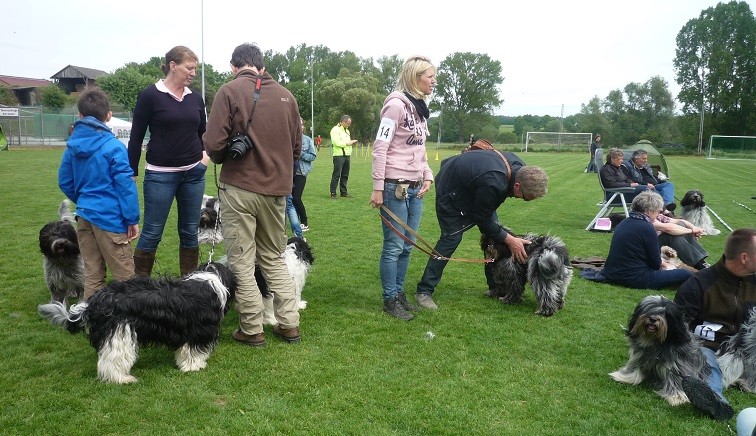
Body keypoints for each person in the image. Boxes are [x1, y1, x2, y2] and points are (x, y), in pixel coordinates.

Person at [203, 42, 302, 346]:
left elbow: (214, 144)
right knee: (273, 257)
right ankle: (289, 324)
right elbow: (297, 148)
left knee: (242, 261)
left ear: (234, 66)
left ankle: (251, 328)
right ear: (261, 65)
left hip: (240, 188)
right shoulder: (288, 96)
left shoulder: (229, 91)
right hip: (277, 191)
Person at [414, 143, 549, 309]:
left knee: (494, 237)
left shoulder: (518, 169)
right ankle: (424, 291)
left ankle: (496, 288)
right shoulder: (494, 182)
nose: (522, 200)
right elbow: (482, 218)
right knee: (451, 239)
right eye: (526, 197)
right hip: (451, 188)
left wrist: (501, 236)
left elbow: (487, 218)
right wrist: (510, 240)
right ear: (517, 186)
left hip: (475, 184)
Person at [128, 45, 207, 276]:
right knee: (152, 232)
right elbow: (136, 138)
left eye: (195, 69)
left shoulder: (196, 99)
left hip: (193, 174)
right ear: (173, 66)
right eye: (189, 68)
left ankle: (189, 286)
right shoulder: (149, 96)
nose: (193, 73)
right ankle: (138, 289)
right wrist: (131, 172)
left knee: (190, 232)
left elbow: (203, 133)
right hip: (159, 176)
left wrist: (204, 158)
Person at [369, 55, 436, 320]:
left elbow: (420, 149)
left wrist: (427, 174)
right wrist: (377, 187)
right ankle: (389, 299)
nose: (434, 81)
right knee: (394, 246)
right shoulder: (396, 106)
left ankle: (399, 294)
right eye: (430, 76)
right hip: (394, 187)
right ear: (415, 77)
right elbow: (380, 147)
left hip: (415, 187)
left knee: (407, 246)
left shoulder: (420, 109)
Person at [58, 89, 140, 299]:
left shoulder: (72, 148)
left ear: (80, 116)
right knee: (125, 278)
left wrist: (84, 200)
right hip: (110, 219)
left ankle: (91, 324)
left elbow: (65, 181)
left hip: (85, 216)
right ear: (108, 115)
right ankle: (127, 324)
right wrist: (132, 219)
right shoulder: (114, 146)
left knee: (92, 274)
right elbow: (125, 185)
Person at [674, 228, 756, 419]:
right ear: (744, 258)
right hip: (711, 346)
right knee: (707, 364)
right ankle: (715, 401)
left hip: (747, 346)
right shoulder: (698, 284)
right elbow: (678, 327)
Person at [602, 191, 693, 289]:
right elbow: (654, 263)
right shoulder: (647, 228)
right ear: (649, 211)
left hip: (612, 272)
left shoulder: (624, 222)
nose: (658, 215)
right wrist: (665, 265)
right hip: (635, 277)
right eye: (658, 211)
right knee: (685, 274)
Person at [623, 149, 677, 213]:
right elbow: (631, 180)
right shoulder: (628, 167)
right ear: (636, 158)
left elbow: (652, 177)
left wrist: (661, 181)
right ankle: (665, 209)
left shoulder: (645, 166)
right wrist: (646, 184)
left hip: (654, 185)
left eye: (646, 158)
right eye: (643, 158)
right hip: (642, 188)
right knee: (657, 193)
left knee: (669, 184)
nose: (646, 160)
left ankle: (667, 204)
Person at [293, 117, 317, 232]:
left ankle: (304, 222)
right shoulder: (289, 138)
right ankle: (292, 221)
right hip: (288, 173)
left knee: (296, 198)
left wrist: (300, 153)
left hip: (301, 172)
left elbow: (313, 156)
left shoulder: (307, 140)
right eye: (298, 124)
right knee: (288, 199)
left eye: (301, 124)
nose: (300, 126)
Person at [329, 115, 357, 198]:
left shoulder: (347, 131)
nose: (349, 125)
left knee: (345, 174)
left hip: (347, 155)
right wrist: (347, 143)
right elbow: (336, 142)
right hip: (338, 155)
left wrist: (350, 143)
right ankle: (333, 192)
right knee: (336, 174)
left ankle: (343, 192)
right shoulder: (335, 130)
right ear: (343, 121)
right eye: (348, 123)